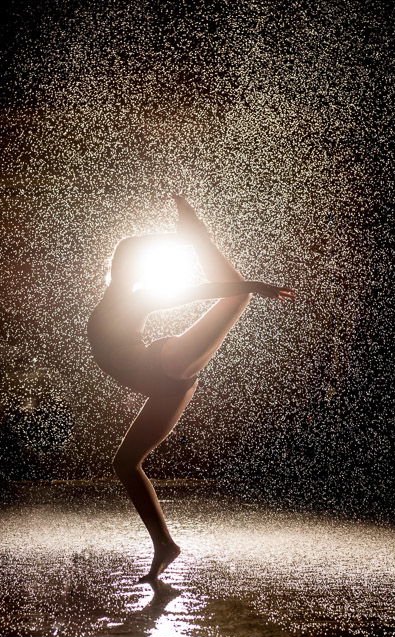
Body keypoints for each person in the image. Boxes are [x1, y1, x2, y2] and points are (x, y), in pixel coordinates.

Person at [87, 196, 295, 582]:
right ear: (117, 268)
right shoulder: (119, 298)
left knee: (239, 293)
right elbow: (130, 254)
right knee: (125, 463)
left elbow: (195, 292)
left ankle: (198, 237)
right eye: (125, 264)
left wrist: (251, 282)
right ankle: (165, 545)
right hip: (167, 387)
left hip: (162, 364)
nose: (127, 269)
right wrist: (176, 241)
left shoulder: (138, 297)